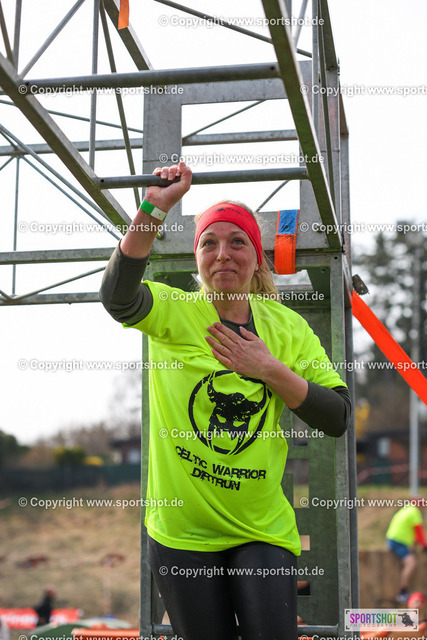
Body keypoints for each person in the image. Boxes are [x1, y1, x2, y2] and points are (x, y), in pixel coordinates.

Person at [100, 161, 351, 640]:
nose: (223, 254)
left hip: (260, 530)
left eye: (237, 242)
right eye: (209, 243)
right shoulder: (175, 311)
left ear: (257, 258)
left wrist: (269, 369)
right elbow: (117, 298)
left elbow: (337, 415)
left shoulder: (287, 328)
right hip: (182, 534)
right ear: (197, 257)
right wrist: (153, 208)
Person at [386, 499, 427, 603]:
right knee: (411, 563)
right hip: (398, 541)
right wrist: (424, 545)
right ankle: (402, 592)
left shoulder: (406, 509)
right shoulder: (415, 512)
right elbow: (418, 530)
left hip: (394, 539)